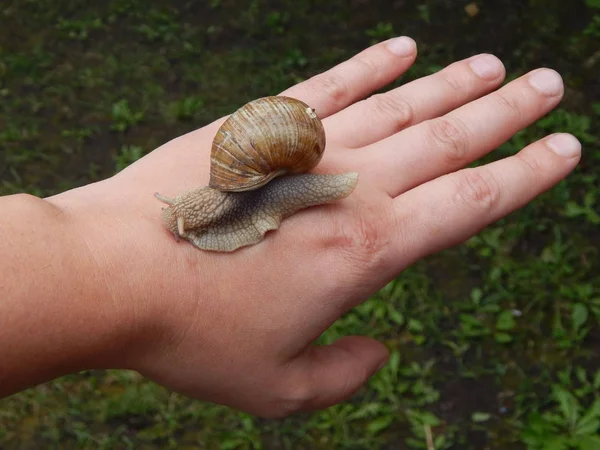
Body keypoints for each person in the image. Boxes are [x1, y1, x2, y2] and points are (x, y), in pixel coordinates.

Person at [0, 37, 581, 418]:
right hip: (271, 160)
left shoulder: (281, 177)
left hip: (283, 156)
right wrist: (122, 282)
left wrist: (80, 242)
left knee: (245, 199)